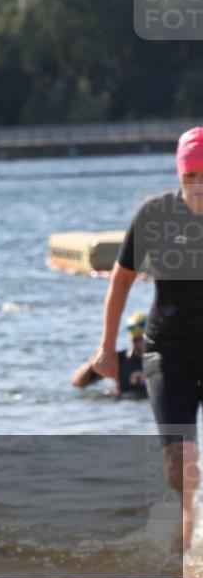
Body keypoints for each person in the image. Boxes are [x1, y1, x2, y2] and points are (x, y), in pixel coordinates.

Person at [90, 126, 203, 551]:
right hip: (167, 352)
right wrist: (106, 347)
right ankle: (187, 529)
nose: (199, 186)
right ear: (180, 176)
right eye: (191, 177)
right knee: (182, 457)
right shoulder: (155, 216)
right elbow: (119, 283)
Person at [71, 311, 147, 398]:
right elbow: (77, 383)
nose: (139, 344)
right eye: (136, 340)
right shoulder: (120, 360)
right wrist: (94, 362)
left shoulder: (160, 359)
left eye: (141, 339)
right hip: (124, 401)